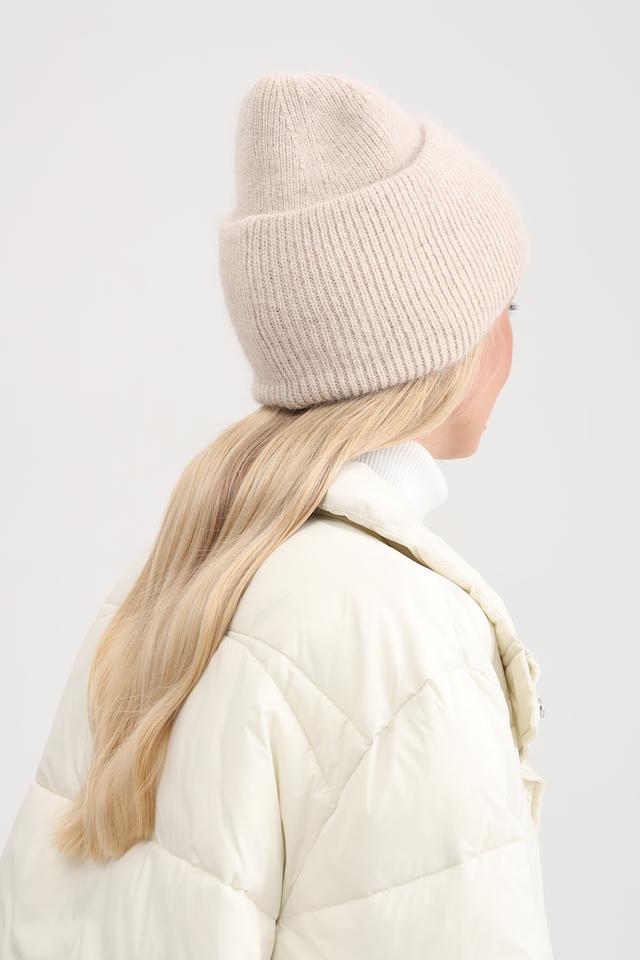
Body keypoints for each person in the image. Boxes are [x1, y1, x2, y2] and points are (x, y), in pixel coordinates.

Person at [0, 72, 553, 958]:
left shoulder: (172, 581)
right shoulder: (407, 639)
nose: (512, 340)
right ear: (439, 344)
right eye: (504, 307)